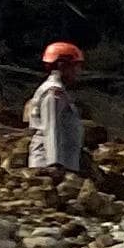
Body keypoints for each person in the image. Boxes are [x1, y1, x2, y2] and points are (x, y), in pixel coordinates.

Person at [24, 42, 82, 184]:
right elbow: (51, 127)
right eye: (75, 66)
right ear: (62, 65)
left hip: (61, 164)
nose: (78, 71)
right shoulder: (53, 93)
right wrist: (54, 163)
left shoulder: (59, 91)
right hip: (49, 167)